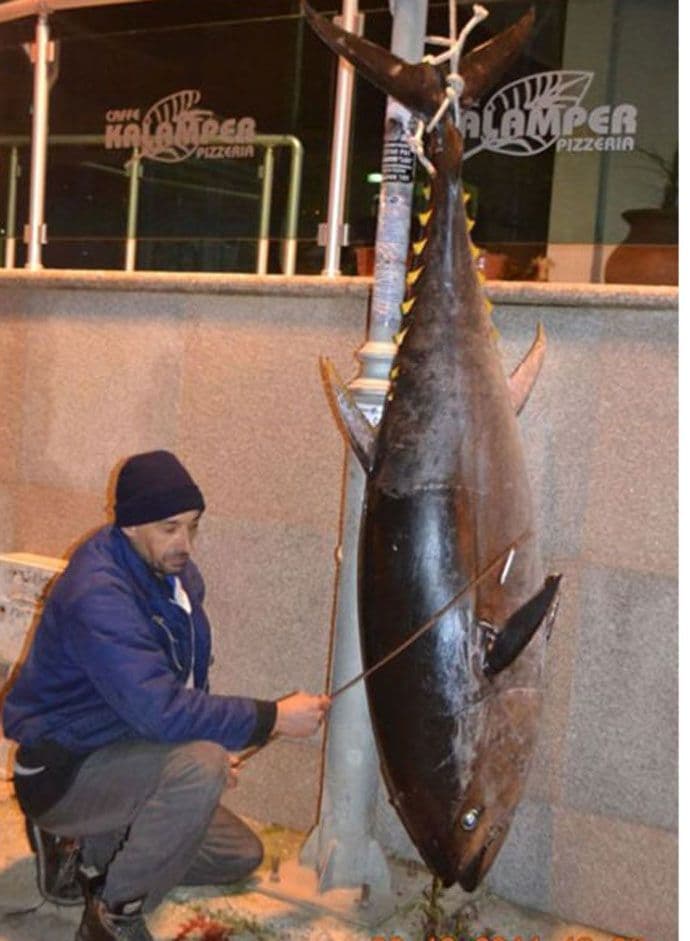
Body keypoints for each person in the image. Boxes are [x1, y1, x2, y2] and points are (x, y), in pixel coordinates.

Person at [2, 450, 330, 941]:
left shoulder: (171, 576)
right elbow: (160, 711)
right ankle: (113, 913)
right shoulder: (98, 594)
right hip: (63, 769)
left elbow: (182, 681)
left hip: (118, 745)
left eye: (193, 526)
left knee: (238, 854)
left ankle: (78, 844)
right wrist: (271, 718)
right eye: (170, 527)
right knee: (200, 769)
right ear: (130, 525)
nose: (185, 544)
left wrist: (211, 741)